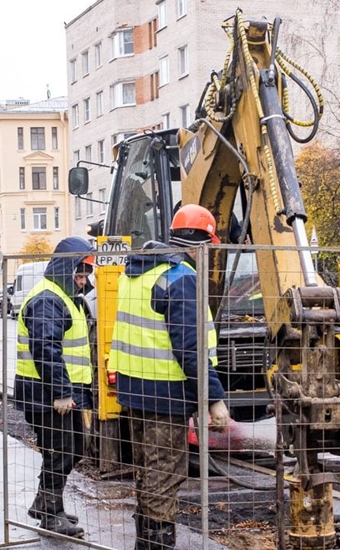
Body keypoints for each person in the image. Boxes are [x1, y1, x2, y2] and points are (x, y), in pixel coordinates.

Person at [109, 204, 229, 550]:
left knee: (148, 471)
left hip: (134, 389)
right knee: (166, 473)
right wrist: (214, 398)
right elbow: (190, 348)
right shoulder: (180, 278)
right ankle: (158, 545)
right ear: (201, 245)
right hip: (165, 394)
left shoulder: (137, 273)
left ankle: (144, 542)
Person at [14, 236, 96, 539]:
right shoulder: (49, 299)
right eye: (80, 271)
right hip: (47, 394)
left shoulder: (63, 295)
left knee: (70, 449)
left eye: (86, 272)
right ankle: (50, 515)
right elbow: (46, 350)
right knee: (61, 451)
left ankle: (46, 504)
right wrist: (61, 393)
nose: (83, 278)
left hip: (57, 392)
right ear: (66, 267)